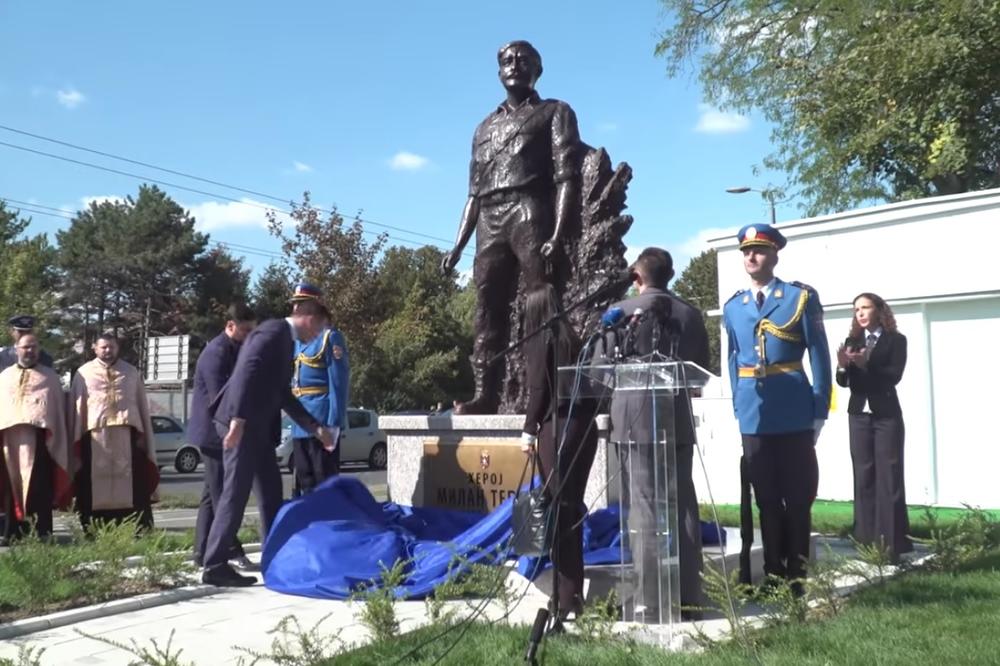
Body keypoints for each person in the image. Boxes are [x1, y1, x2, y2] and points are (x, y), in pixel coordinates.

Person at [440, 40, 582, 414]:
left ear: (538, 69)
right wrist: (457, 245)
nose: (514, 65)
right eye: (506, 60)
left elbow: (567, 175)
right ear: (499, 69)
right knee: (486, 307)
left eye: (523, 60)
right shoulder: (483, 127)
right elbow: (472, 193)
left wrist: (556, 234)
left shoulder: (555, 111)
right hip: (489, 216)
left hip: (529, 208)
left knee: (541, 301)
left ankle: (546, 391)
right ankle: (486, 394)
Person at [599, 247, 710, 619]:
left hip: (635, 422)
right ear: (670, 276)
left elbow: (599, 370)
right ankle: (689, 596)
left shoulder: (622, 312)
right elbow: (700, 373)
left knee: (645, 510)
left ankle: (650, 601)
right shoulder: (691, 315)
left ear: (637, 277)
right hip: (675, 418)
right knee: (682, 507)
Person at [723, 223, 831, 591]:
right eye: (746, 251)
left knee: (797, 499)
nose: (751, 257)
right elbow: (733, 359)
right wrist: (739, 405)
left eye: (759, 250)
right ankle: (772, 572)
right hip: (754, 414)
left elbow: (819, 355)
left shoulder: (798, 298)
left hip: (794, 410)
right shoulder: (734, 306)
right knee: (766, 499)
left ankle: (797, 574)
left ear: (775, 255)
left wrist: (819, 410)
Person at [201, 299, 337, 587]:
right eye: (318, 327)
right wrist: (237, 418)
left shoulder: (285, 342)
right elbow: (246, 370)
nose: (317, 335)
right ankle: (214, 565)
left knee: (271, 494)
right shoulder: (272, 332)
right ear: (305, 317)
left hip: (257, 429)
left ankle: (275, 558)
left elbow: (282, 393)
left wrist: (315, 429)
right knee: (234, 494)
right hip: (242, 424)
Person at [519, 284, 598, 627]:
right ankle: (569, 593)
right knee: (569, 509)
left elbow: (539, 388)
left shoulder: (544, 336)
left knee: (561, 512)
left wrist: (527, 428)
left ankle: (566, 597)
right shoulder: (570, 335)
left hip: (558, 426)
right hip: (582, 425)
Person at [836, 293, 911, 562]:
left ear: (879, 310)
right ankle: (867, 544)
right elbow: (844, 382)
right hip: (859, 416)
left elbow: (894, 376)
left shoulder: (896, 340)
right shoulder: (852, 342)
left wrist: (868, 364)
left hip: (886, 416)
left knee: (888, 477)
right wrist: (843, 368)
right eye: (856, 309)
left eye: (865, 307)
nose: (860, 313)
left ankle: (890, 547)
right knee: (863, 476)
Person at [190, 303, 257, 570]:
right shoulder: (216, 353)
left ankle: (201, 552)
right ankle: (230, 551)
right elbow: (222, 400)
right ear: (230, 326)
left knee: (211, 495)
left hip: (223, 432)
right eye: (245, 330)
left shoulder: (237, 349)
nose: (249, 335)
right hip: (215, 433)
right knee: (223, 496)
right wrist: (236, 428)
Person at [70, 332, 159, 531]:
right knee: (91, 486)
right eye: (103, 347)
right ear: (95, 348)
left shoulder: (131, 372)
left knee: (134, 484)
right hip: (94, 439)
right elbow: (77, 409)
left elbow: (141, 407)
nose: (108, 351)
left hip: (126, 437)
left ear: (117, 348)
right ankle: (94, 529)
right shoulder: (83, 374)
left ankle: (137, 528)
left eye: (112, 347)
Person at [0, 334, 71, 544]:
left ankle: (43, 532)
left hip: (40, 439)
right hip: (8, 440)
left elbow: (56, 411)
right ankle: (12, 532)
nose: (29, 351)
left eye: (33, 347)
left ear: (38, 349)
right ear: (16, 349)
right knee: (11, 489)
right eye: (25, 347)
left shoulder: (49, 377)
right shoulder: (4, 377)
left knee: (40, 487)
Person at [289, 283, 349, 494]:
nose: (294, 311)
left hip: (322, 420)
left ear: (313, 311)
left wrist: (333, 425)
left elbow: (338, 384)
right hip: (300, 423)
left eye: (299, 306)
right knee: (304, 479)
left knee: (324, 480)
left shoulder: (330, 338)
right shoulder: (297, 343)